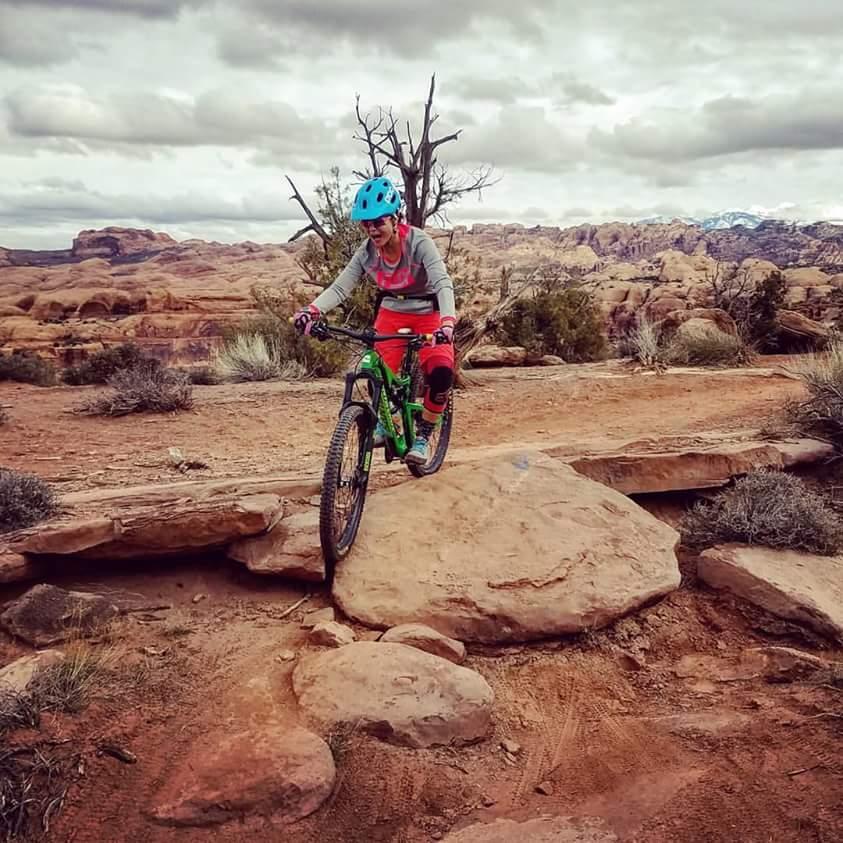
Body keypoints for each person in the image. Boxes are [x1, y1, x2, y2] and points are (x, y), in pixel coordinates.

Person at [293, 175, 456, 465]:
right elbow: (341, 287)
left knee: (441, 373)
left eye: (378, 221)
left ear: (396, 219)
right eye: (366, 223)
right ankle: (384, 422)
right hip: (392, 311)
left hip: (429, 312)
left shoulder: (419, 243)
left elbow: (442, 282)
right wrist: (312, 310)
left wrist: (447, 323)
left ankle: (423, 434)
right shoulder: (366, 253)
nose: (372, 229)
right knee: (374, 372)